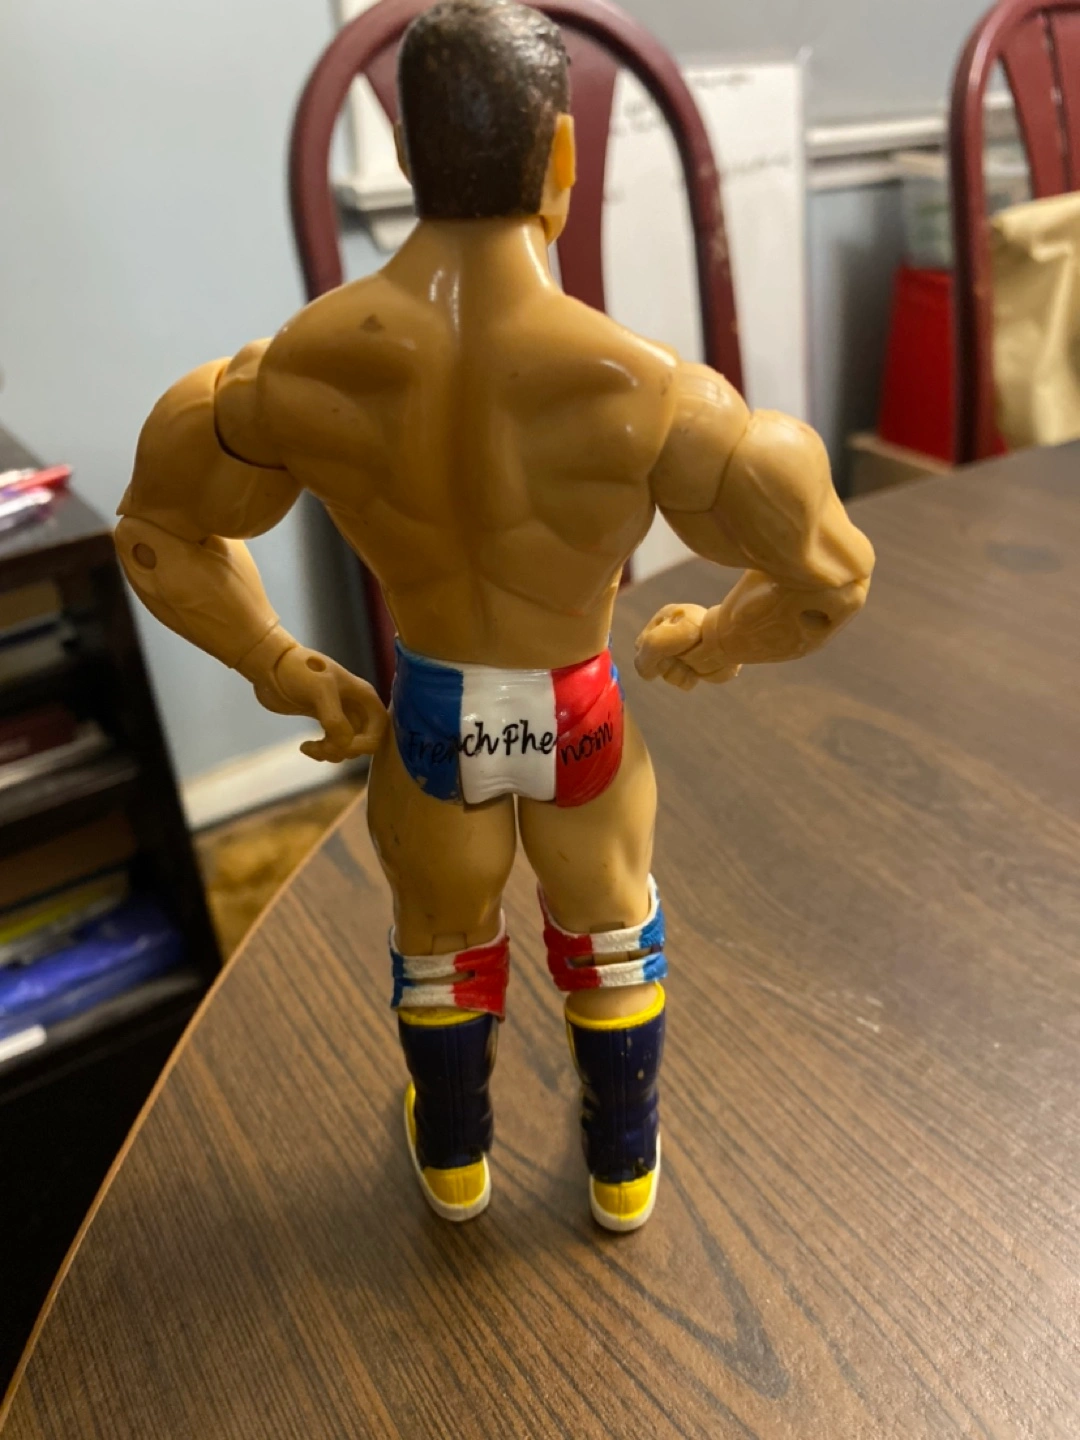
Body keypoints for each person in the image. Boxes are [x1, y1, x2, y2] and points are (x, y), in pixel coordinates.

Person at [115, 0, 874, 1232]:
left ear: (405, 153)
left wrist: (279, 663)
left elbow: (156, 534)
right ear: (563, 155)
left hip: (434, 709)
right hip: (575, 705)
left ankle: (457, 1159)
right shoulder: (655, 396)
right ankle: (620, 1164)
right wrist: (713, 640)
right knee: (609, 921)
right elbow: (829, 575)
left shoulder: (299, 371)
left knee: (441, 932)